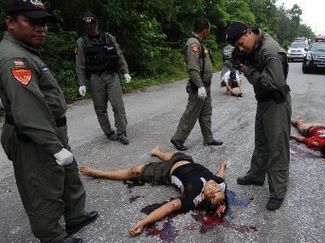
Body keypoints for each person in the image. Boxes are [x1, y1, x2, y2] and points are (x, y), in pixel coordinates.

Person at [0, 1, 98, 242]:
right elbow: (28, 112)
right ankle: (52, 236)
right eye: (32, 22)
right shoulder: (15, 59)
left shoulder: (26, 50)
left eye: (43, 23)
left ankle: (75, 216)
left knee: (67, 175)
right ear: (10, 22)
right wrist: (54, 147)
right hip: (34, 136)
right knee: (42, 188)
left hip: (50, 129)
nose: (40, 28)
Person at [79, 146, 228, 236]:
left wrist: (144, 222)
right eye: (218, 189)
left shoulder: (193, 199)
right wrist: (222, 166)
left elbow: (169, 207)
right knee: (173, 155)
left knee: (135, 170)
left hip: (167, 170)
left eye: (212, 192)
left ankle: (98, 173)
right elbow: (219, 177)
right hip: (187, 161)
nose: (215, 186)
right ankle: (157, 151)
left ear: (204, 196)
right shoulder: (220, 184)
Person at [226, 21, 291, 211]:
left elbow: (275, 82)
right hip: (263, 101)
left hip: (276, 102)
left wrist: (247, 71)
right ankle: (256, 175)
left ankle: (278, 192)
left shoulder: (269, 49)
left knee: (278, 147)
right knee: (261, 141)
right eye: (236, 46)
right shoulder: (253, 45)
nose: (240, 48)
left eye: (240, 43)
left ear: (248, 33)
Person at [75, 12, 131, 145]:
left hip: (111, 75)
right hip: (95, 78)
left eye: (92, 25)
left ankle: (122, 132)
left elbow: (119, 55)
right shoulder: (81, 42)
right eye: (88, 26)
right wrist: (81, 83)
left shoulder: (108, 37)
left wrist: (125, 71)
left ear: (97, 24)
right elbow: (80, 64)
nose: (91, 28)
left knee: (118, 105)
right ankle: (108, 132)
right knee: (100, 108)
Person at [170, 16, 223, 151]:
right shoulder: (193, 44)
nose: (209, 32)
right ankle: (178, 139)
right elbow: (193, 68)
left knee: (206, 113)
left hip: (205, 86)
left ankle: (208, 138)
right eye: (209, 30)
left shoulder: (199, 43)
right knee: (191, 113)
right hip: (198, 86)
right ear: (204, 29)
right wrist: (200, 86)